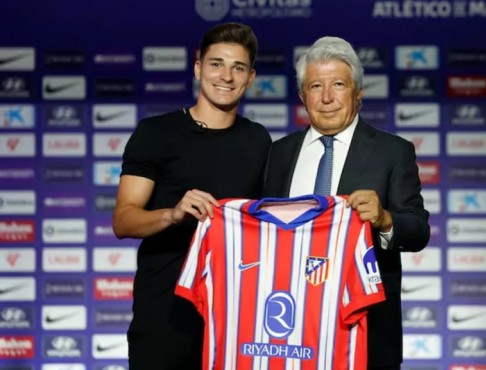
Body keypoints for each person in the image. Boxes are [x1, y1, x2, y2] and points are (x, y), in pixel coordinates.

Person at [263, 36, 430, 370]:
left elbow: (417, 230)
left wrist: (384, 219)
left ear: (358, 93)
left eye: (338, 84)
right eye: (315, 86)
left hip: (363, 327)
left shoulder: (392, 151)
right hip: (288, 327)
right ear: (301, 96)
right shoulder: (278, 153)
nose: (326, 98)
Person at [112, 22, 271, 370]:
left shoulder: (259, 141)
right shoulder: (155, 133)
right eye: (216, 64)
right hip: (164, 314)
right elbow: (123, 219)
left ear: (250, 78)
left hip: (235, 316)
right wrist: (173, 213)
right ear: (198, 68)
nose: (226, 76)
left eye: (238, 68)